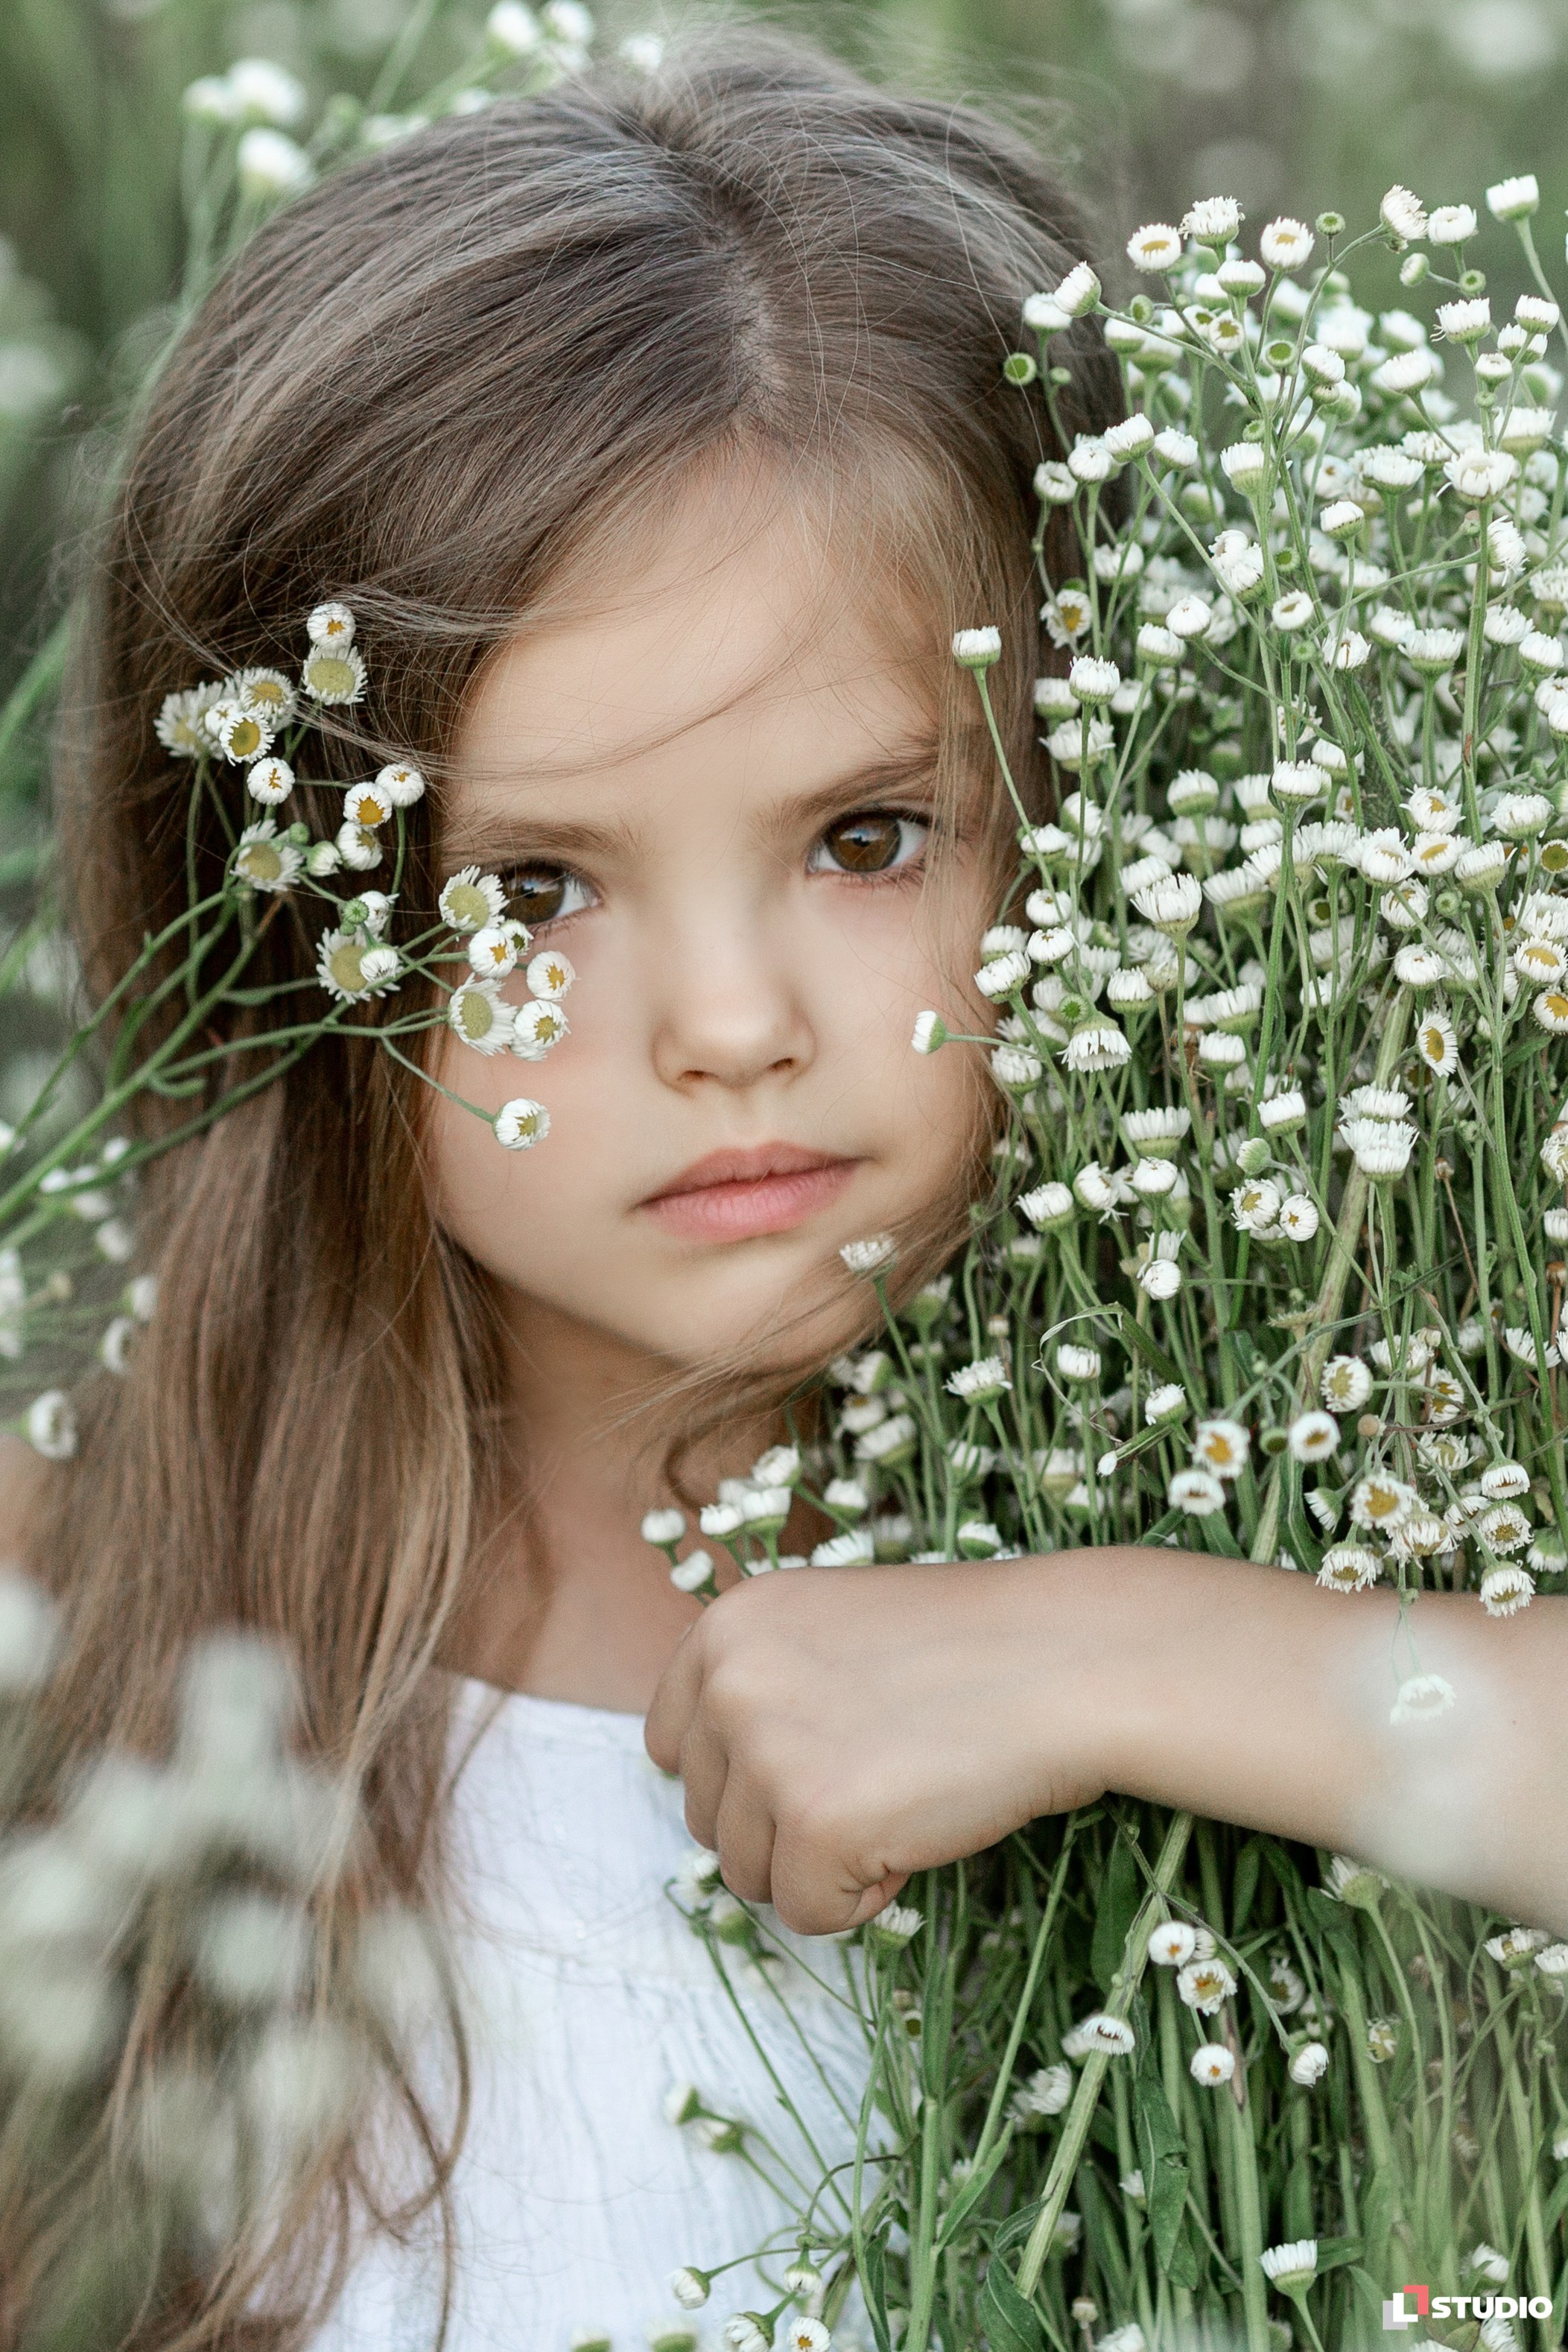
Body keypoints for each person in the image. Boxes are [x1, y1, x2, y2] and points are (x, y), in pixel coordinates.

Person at [4, 28, 1565, 2352]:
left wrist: (1168, 1654)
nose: (725, 1026)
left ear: (1118, 788)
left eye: (866, 835)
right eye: (525, 889)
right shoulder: (79, 1631)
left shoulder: (1397, 1489)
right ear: (273, 920)